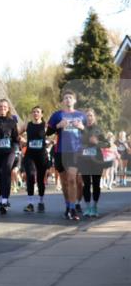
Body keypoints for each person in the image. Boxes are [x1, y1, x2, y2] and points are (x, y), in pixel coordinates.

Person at [46, 90, 87, 221]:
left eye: (70, 97)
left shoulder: (81, 115)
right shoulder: (57, 115)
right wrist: (58, 125)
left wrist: (82, 127)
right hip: (60, 151)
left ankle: (73, 208)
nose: (68, 100)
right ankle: (68, 206)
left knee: (71, 179)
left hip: (75, 151)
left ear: (74, 101)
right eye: (66, 98)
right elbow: (48, 132)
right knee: (64, 181)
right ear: (63, 101)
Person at [77, 108, 110, 217]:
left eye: (91, 115)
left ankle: (94, 206)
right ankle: (87, 207)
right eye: (87, 116)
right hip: (84, 161)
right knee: (86, 184)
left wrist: (98, 142)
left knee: (96, 184)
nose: (89, 117)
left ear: (94, 117)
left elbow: (107, 144)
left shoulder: (98, 129)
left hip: (97, 160)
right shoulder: (81, 129)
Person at [22, 106, 50, 213]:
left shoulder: (45, 126)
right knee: (30, 176)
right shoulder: (28, 125)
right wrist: (22, 139)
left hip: (41, 155)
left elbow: (55, 133)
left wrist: (51, 142)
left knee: (40, 179)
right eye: (34, 112)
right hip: (30, 154)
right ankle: (30, 203)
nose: (35, 114)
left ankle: (41, 201)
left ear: (42, 114)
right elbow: (16, 133)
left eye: (38, 112)